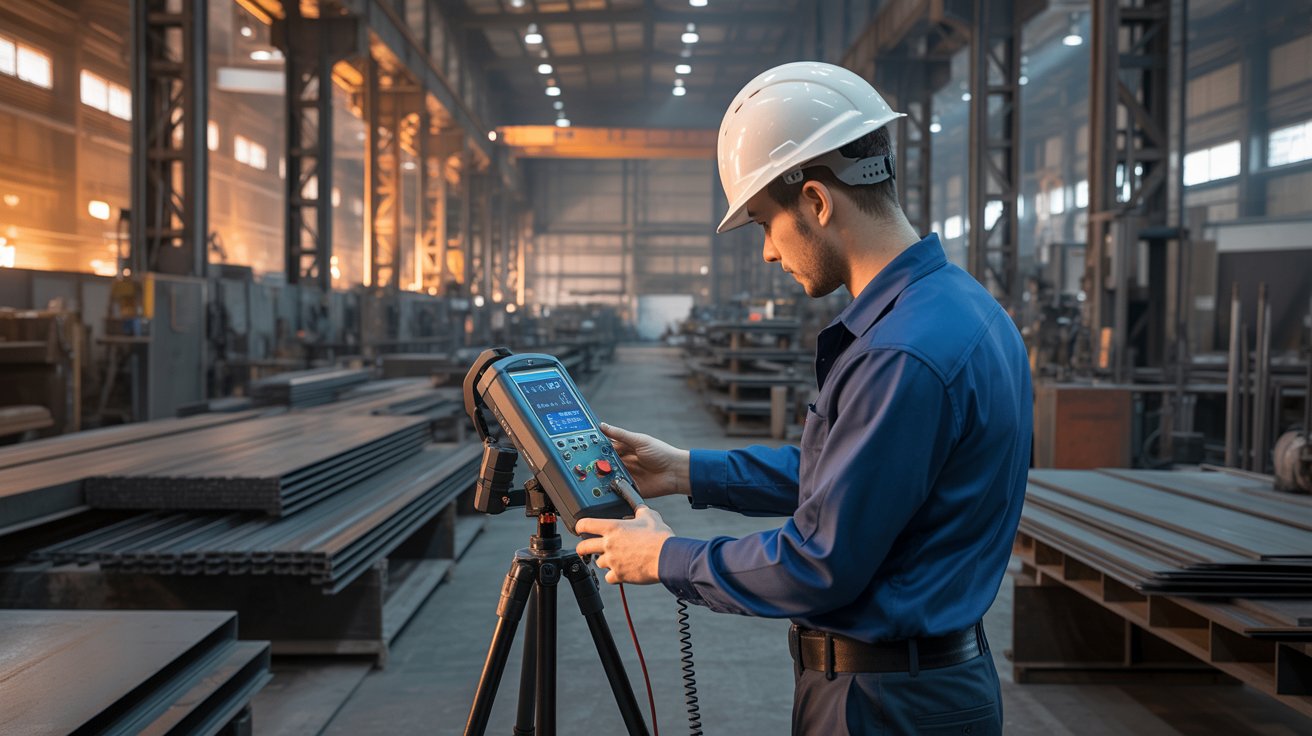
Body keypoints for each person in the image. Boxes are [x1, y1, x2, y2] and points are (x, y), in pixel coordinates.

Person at [575, 61, 1031, 735]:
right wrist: (688, 471)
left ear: (817, 202)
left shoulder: (898, 353)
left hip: (884, 705)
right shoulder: (963, 310)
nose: (766, 252)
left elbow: (821, 563)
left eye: (764, 221)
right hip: (926, 685)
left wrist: (666, 558)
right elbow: (858, 477)